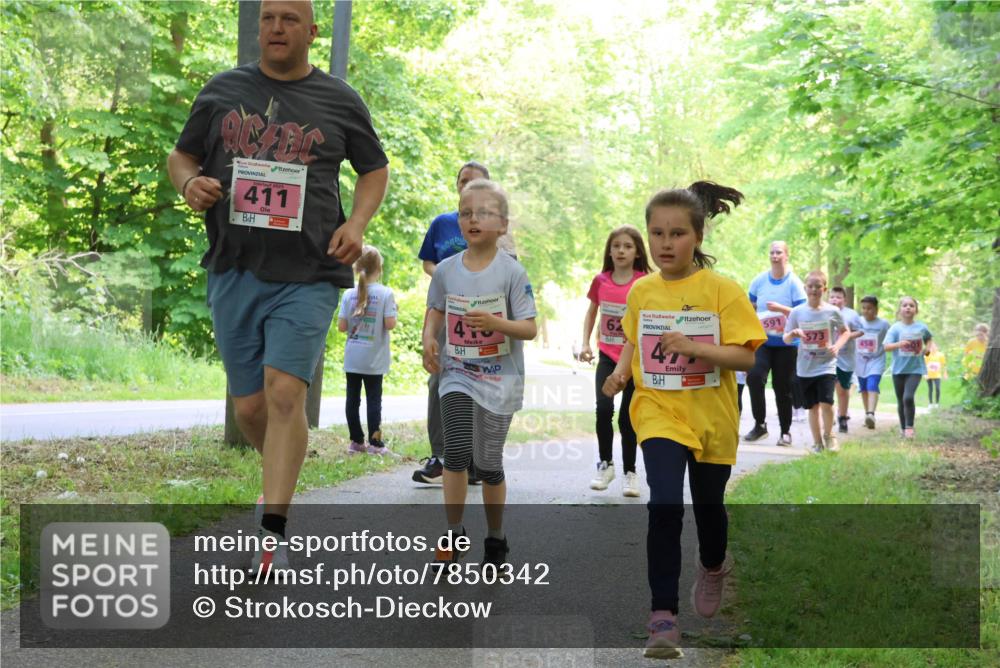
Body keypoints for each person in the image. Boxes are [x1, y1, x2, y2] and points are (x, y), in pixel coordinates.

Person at [166, 0, 389, 571]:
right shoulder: (222, 91)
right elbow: (182, 157)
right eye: (268, 18)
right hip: (234, 266)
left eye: (289, 18)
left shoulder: (339, 100)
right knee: (249, 408)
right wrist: (190, 184)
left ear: (311, 31)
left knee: (286, 393)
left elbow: (374, 169)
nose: (276, 27)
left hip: (310, 271)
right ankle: (281, 474)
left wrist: (356, 224)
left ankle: (274, 529)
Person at [601, 182, 765, 660]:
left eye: (676, 233)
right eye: (657, 233)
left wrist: (694, 348)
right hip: (658, 412)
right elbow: (634, 340)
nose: (665, 243)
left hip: (711, 416)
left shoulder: (722, 291)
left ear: (697, 236)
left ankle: (713, 565)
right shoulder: (642, 291)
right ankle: (663, 617)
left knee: (709, 507)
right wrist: (618, 374)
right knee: (666, 503)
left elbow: (746, 359)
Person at [422, 179, 537, 568]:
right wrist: (428, 338)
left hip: (499, 377)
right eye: (466, 213)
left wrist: (494, 322)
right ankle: (453, 533)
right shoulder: (446, 271)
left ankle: (495, 536)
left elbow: (529, 328)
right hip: (457, 371)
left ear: (503, 225)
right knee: (454, 452)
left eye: (484, 213)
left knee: (488, 463)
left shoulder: (512, 273)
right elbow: (436, 308)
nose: (474, 219)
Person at [412, 161, 491, 485]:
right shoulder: (443, 224)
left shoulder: (496, 226)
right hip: (446, 310)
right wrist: (448, 275)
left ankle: (474, 461)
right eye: (463, 180)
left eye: (475, 181)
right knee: (438, 380)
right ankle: (442, 457)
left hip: (484, 315)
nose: (467, 185)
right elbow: (429, 263)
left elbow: (508, 268)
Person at [579, 226, 651, 496]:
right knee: (603, 409)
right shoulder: (601, 281)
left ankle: (630, 473)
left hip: (633, 359)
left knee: (626, 418)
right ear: (609, 251)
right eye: (616, 246)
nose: (621, 250)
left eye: (628, 246)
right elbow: (591, 313)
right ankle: (605, 464)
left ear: (637, 252)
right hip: (607, 356)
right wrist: (585, 343)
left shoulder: (644, 283)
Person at [745, 241, 807, 446]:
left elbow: (802, 314)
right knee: (754, 377)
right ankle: (760, 424)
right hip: (763, 341)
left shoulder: (794, 284)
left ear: (786, 255)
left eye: (778, 252)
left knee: (783, 387)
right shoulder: (759, 281)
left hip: (786, 344)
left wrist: (781, 309)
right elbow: (750, 306)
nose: (774, 255)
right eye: (771, 252)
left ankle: (785, 431)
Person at [783, 271, 851, 453]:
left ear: (825, 289)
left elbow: (845, 331)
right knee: (812, 407)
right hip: (805, 367)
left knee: (827, 402)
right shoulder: (797, 312)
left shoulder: (832, 311)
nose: (814, 289)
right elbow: (786, 339)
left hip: (826, 365)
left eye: (818, 286)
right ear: (805, 288)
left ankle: (830, 436)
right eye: (810, 286)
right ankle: (817, 443)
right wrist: (793, 334)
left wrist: (837, 346)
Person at [338, 245, 397, 455]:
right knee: (374, 401)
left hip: (353, 358)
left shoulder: (348, 294)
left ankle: (356, 441)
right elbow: (390, 324)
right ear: (379, 269)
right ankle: (375, 443)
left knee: (352, 400)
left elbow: (342, 327)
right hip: (374, 359)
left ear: (355, 268)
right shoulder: (386, 294)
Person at [884, 296, 933, 438]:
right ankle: (903, 428)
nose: (908, 307)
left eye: (911, 305)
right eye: (905, 305)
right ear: (899, 310)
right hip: (898, 369)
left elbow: (929, 339)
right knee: (901, 400)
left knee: (908, 397)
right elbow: (886, 347)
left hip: (915, 368)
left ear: (916, 310)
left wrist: (927, 349)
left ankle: (910, 427)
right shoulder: (895, 328)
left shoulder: (921, 327)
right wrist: (899, 344)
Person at [828, 287, 865, 433]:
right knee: (827, 389)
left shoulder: (851, 314)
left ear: (844, 299)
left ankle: (843, 417)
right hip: (827, 358)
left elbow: (861, 330)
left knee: (843, 390)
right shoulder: (824, 312)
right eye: (832, 297)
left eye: (838, 297)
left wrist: (848, 336)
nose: (835, 300)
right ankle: (828, 416)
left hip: (845, 358)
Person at [854, 295, 891, 429]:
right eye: (863, 308)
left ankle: (871, 413)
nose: (866, 311)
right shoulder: (857, 322)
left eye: (869, 308)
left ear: (876, 309)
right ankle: (867, 415)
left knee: (872, 384)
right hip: (860, 360)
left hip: (876, 359)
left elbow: (892, 337)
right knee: (863, 388)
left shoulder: (883, 324)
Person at [924, 340, 947, 408]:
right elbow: (923, 363)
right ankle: (930, 403)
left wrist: (945, 373)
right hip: (929, 375)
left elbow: (944, 365)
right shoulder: (927, 353)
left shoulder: (940, 354)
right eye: (931, 346)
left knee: (937, 388)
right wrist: (924, 374)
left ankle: (937, 403)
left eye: (934, 346)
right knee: (930, 389)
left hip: (937, 375)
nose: (933, 347)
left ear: (937, 347)